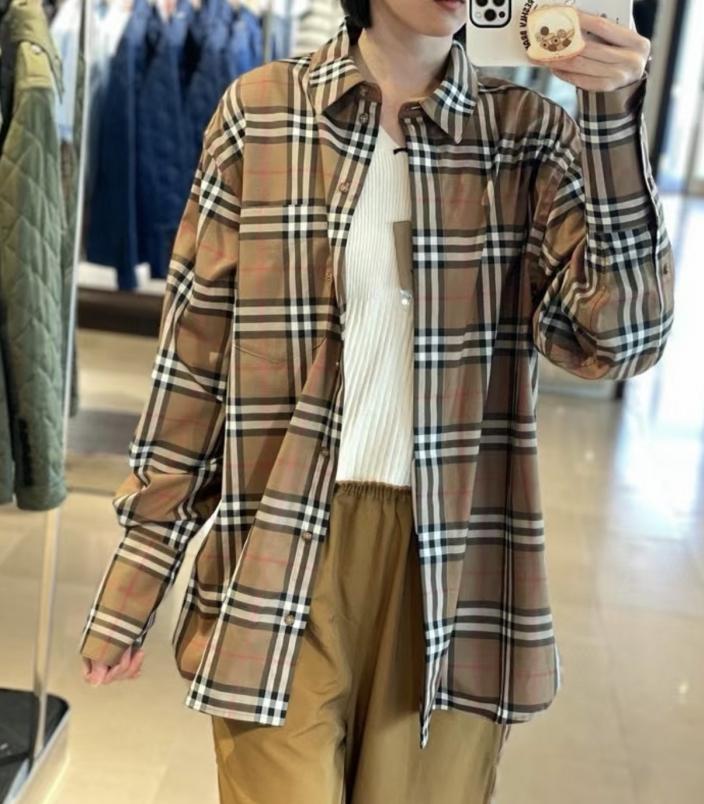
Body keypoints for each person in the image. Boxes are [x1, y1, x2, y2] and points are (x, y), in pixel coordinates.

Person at [79, 1, 674, 802]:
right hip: (282, 546)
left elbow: (619, 342)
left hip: (456, 568)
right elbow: (194, 361)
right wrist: (137, 578)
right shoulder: (263, 112)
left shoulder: (529, 135)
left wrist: (611, 122)